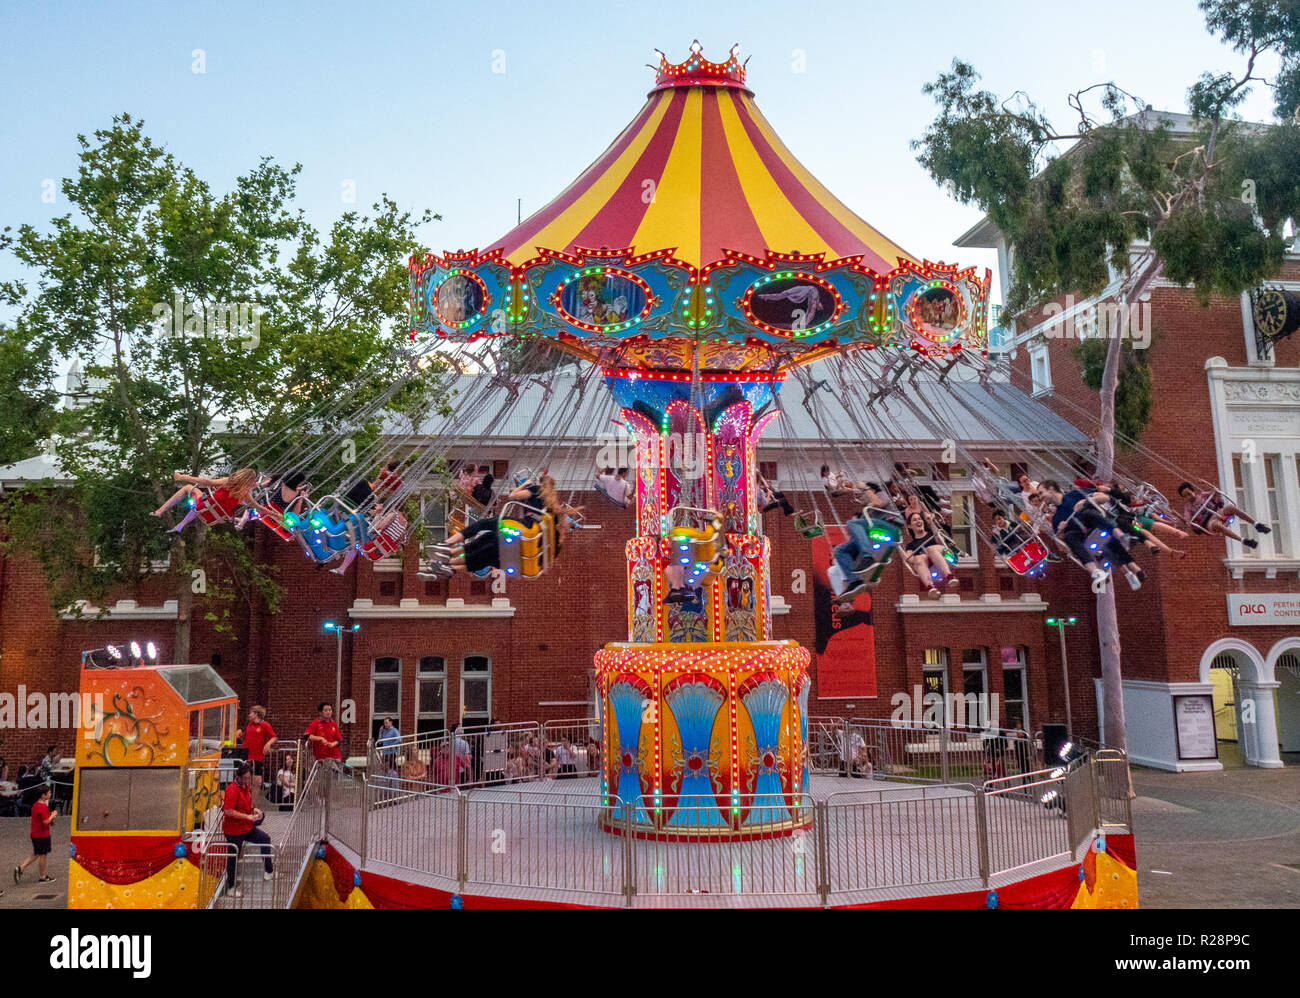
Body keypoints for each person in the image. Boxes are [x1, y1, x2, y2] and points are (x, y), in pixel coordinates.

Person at [1039, 480, 1143, 589]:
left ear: (1050, 489)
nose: (1040, 497)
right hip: (1085, 539)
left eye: (1041, 493)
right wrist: (1060, 531)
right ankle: (1096, 572)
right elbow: (1061, 546)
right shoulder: (1056, 518)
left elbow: (1104, 497)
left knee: (1088, 513)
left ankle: (1122, 537)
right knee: (1070, 537)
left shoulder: (1074, 494)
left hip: (1096, 526)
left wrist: (1086, 501)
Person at [222, 762, 272, 896]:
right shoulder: (232, 789)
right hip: (233, 830)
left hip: (246, 827)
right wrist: (247, 816)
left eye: (249, 778)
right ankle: (231, 887)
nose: (247, 781)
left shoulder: (246, 787)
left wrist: (253, 810)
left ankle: (269, 870)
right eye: (245, 778)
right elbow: (228, 811)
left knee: (265, 839)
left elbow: (246, 805)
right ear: (238, 777)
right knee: (233, 857)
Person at [152, 468, 259, 531]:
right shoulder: (244, 495)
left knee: (189, 489)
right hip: (218, 517)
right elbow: (253, 505)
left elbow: (206, 482)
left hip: (208, 509)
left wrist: (183, 477)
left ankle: (160, 511)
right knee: (201, 505)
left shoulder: (228, 483)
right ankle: (180, 526)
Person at [1178, 481, 1267, 546]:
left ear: (1193, 491)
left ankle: (1256, 524)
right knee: (1217, 525)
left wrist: (1204, 483)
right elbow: (1187, 517)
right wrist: (1184, 519)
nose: (1188, 497)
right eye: (1185, 496)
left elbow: (1215, 491)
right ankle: (1243, 540)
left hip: (1217, 512)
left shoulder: (1202, 495)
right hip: (1208, 521)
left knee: (1231, 507)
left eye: (1189, 494)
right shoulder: (1188, 507)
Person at [903, 509, 956, 597]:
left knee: (931, 549)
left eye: (919, 519)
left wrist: (931, 521)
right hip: (931, 567)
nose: (918, 521)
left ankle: (949, 576)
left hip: (944, 556)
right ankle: (930, 586)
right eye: (914, 520)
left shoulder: (932, 534)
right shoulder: (911, 545)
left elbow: (941, 540)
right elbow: (910, 559)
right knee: (918, 558)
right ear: (909, 526)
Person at [13, 785, 57, 886]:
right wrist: (53, 815)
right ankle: (42, 876)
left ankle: (21, 868)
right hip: (42, 835)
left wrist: (50, 819)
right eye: (48, 793)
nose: (50, 794)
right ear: (43, 795)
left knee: (35, 853)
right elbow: (46, 821)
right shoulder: (43, 807)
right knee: (43, 855)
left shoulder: (35, 805)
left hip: (35, 833)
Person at [242, 706, 277, 798]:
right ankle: (246, 804)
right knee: (246, 782)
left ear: (256, 714)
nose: (249, 715)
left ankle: (253, 805)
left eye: (251, 713)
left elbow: (274, 737)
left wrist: (268, 744)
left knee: (257, 783)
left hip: (257, 757)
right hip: (246, 757)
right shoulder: (249, 725)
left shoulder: (265, 725)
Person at [305, 702, 342, 769]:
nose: (328, 712)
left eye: (330, 710)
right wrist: (320, 738)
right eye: (325, 710)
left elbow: (339, 739)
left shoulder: (333, 723)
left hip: (335, 756)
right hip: (322, 757)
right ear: (320, 712)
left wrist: (333, 744)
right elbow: (308, 735)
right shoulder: (316, 723)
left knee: (336, 777)